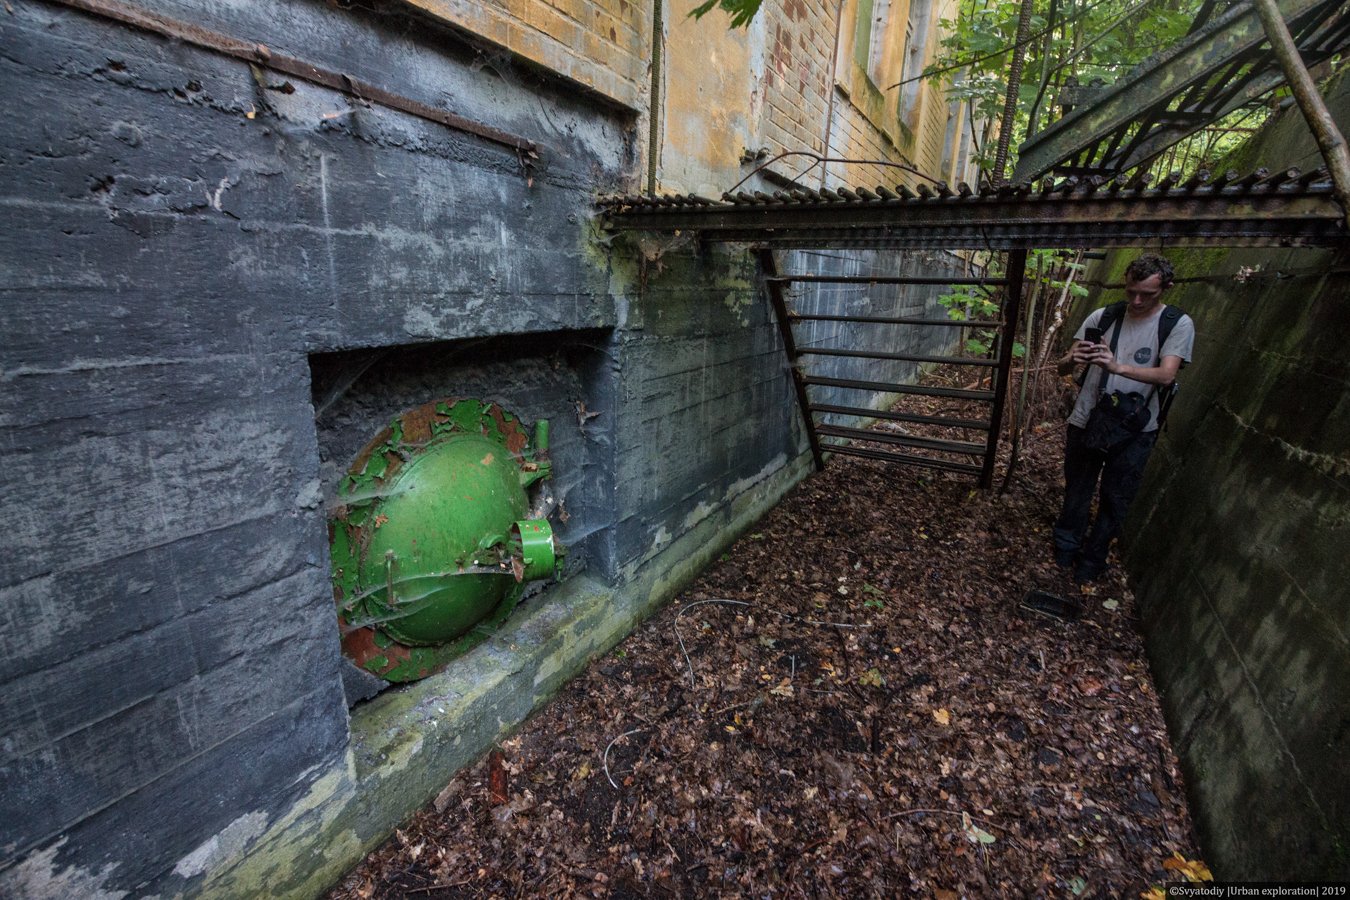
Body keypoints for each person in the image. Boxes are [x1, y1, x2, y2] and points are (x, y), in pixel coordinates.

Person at [1052, 255, 1195, 584]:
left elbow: (1166, 375)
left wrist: (1117, 367)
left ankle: (1092, 560)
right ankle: (1065, 549)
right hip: (1089, 418)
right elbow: (1064, 368)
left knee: (1116, 498)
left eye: (1147, 294)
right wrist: (1073, 358)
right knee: (1078, 489)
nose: (1137, 300)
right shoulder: (1104, 316)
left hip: (1135, 429)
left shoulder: (1176, 324)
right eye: (1131, 291)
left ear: (1166, 289)